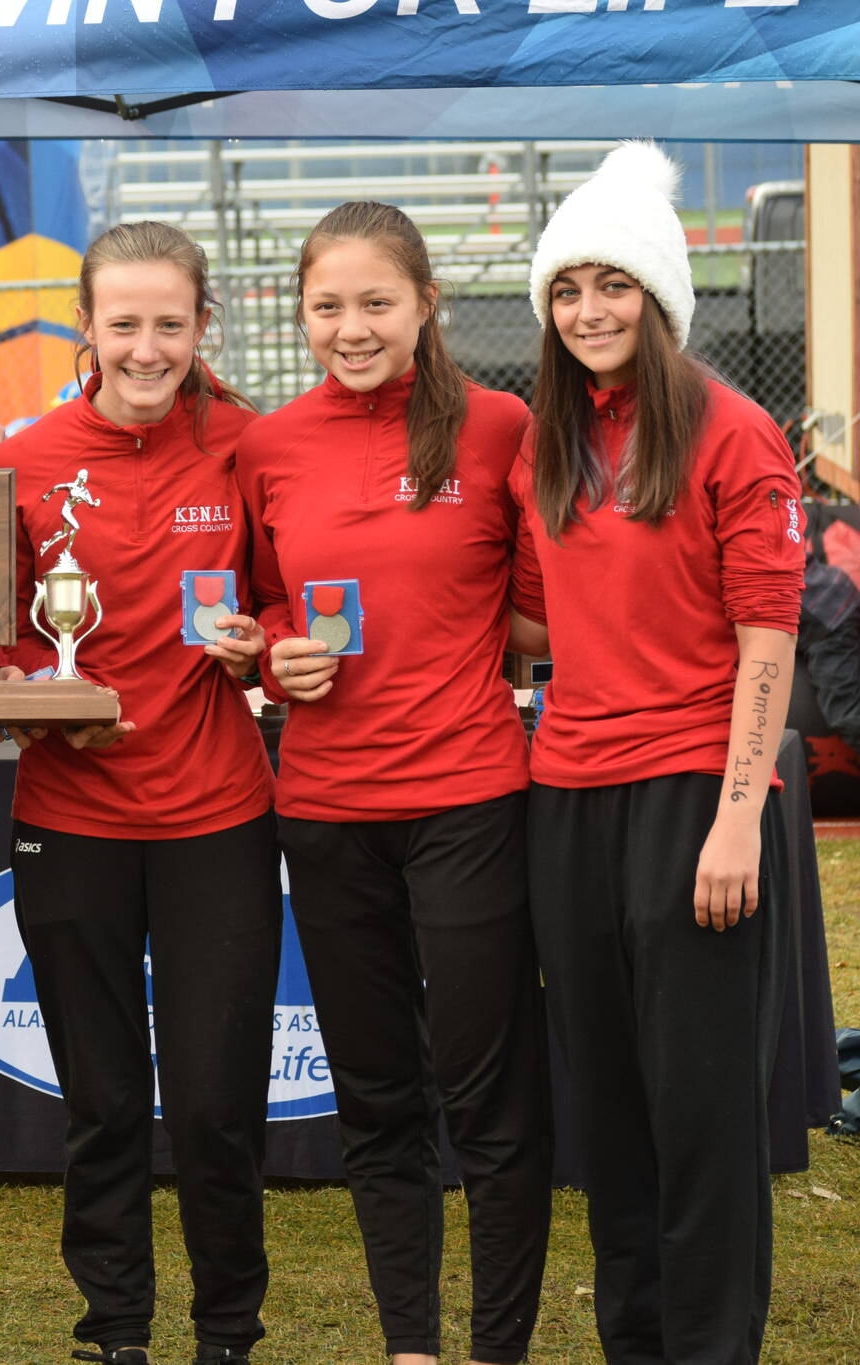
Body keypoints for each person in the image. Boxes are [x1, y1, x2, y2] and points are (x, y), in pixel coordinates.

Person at [235, 202, 552, 1365]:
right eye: (328, 305)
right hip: (322, 814)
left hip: (469, 799)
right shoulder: (265, 446)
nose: (350, 327)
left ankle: (495, 1348)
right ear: (300, 312)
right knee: (375, 1097)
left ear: (426, 303)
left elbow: (534, 610)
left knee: (488, 1098)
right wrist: (276, 648)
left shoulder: (498, 426)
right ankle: (410, 1347)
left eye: (375, 302)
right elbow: (259, 601)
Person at [511, 141, 806, 1365]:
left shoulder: (733, 435)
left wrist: (736, 817)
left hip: (695, 791)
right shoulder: (550, 437)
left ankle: (708, 1342)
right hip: (565, 793)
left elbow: (766, 639)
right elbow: (536, 621)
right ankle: (633, 1336)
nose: (586, 311)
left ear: (661, 296)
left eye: (611, 285)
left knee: (698, 1107)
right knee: (611, 1102)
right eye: (566, 288)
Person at [0, 221, 276, 1365]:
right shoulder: (21, 459)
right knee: (102, 1104)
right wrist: (28, 688)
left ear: (200, 325)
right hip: (70, 822)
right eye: (124, 324)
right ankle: (114, 1329)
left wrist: (266, 644)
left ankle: (226, 1330)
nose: (146, 347)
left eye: (168, 323)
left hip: (216, 816)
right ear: (86, 327)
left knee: (214, 1107)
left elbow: (303, 609)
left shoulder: (254, 448)